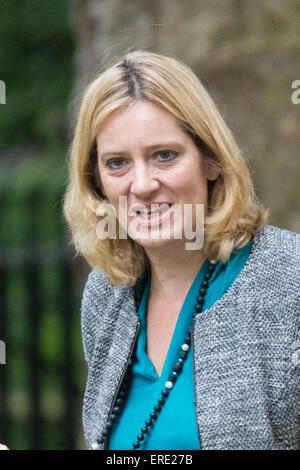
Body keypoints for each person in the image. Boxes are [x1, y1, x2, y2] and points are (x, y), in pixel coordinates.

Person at [62, 50, 300, 450]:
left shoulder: (289, 278)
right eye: (117, 163)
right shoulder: (107, 298)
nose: (141, 184)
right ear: (97, 182)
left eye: (164, 155)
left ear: (212, 160)